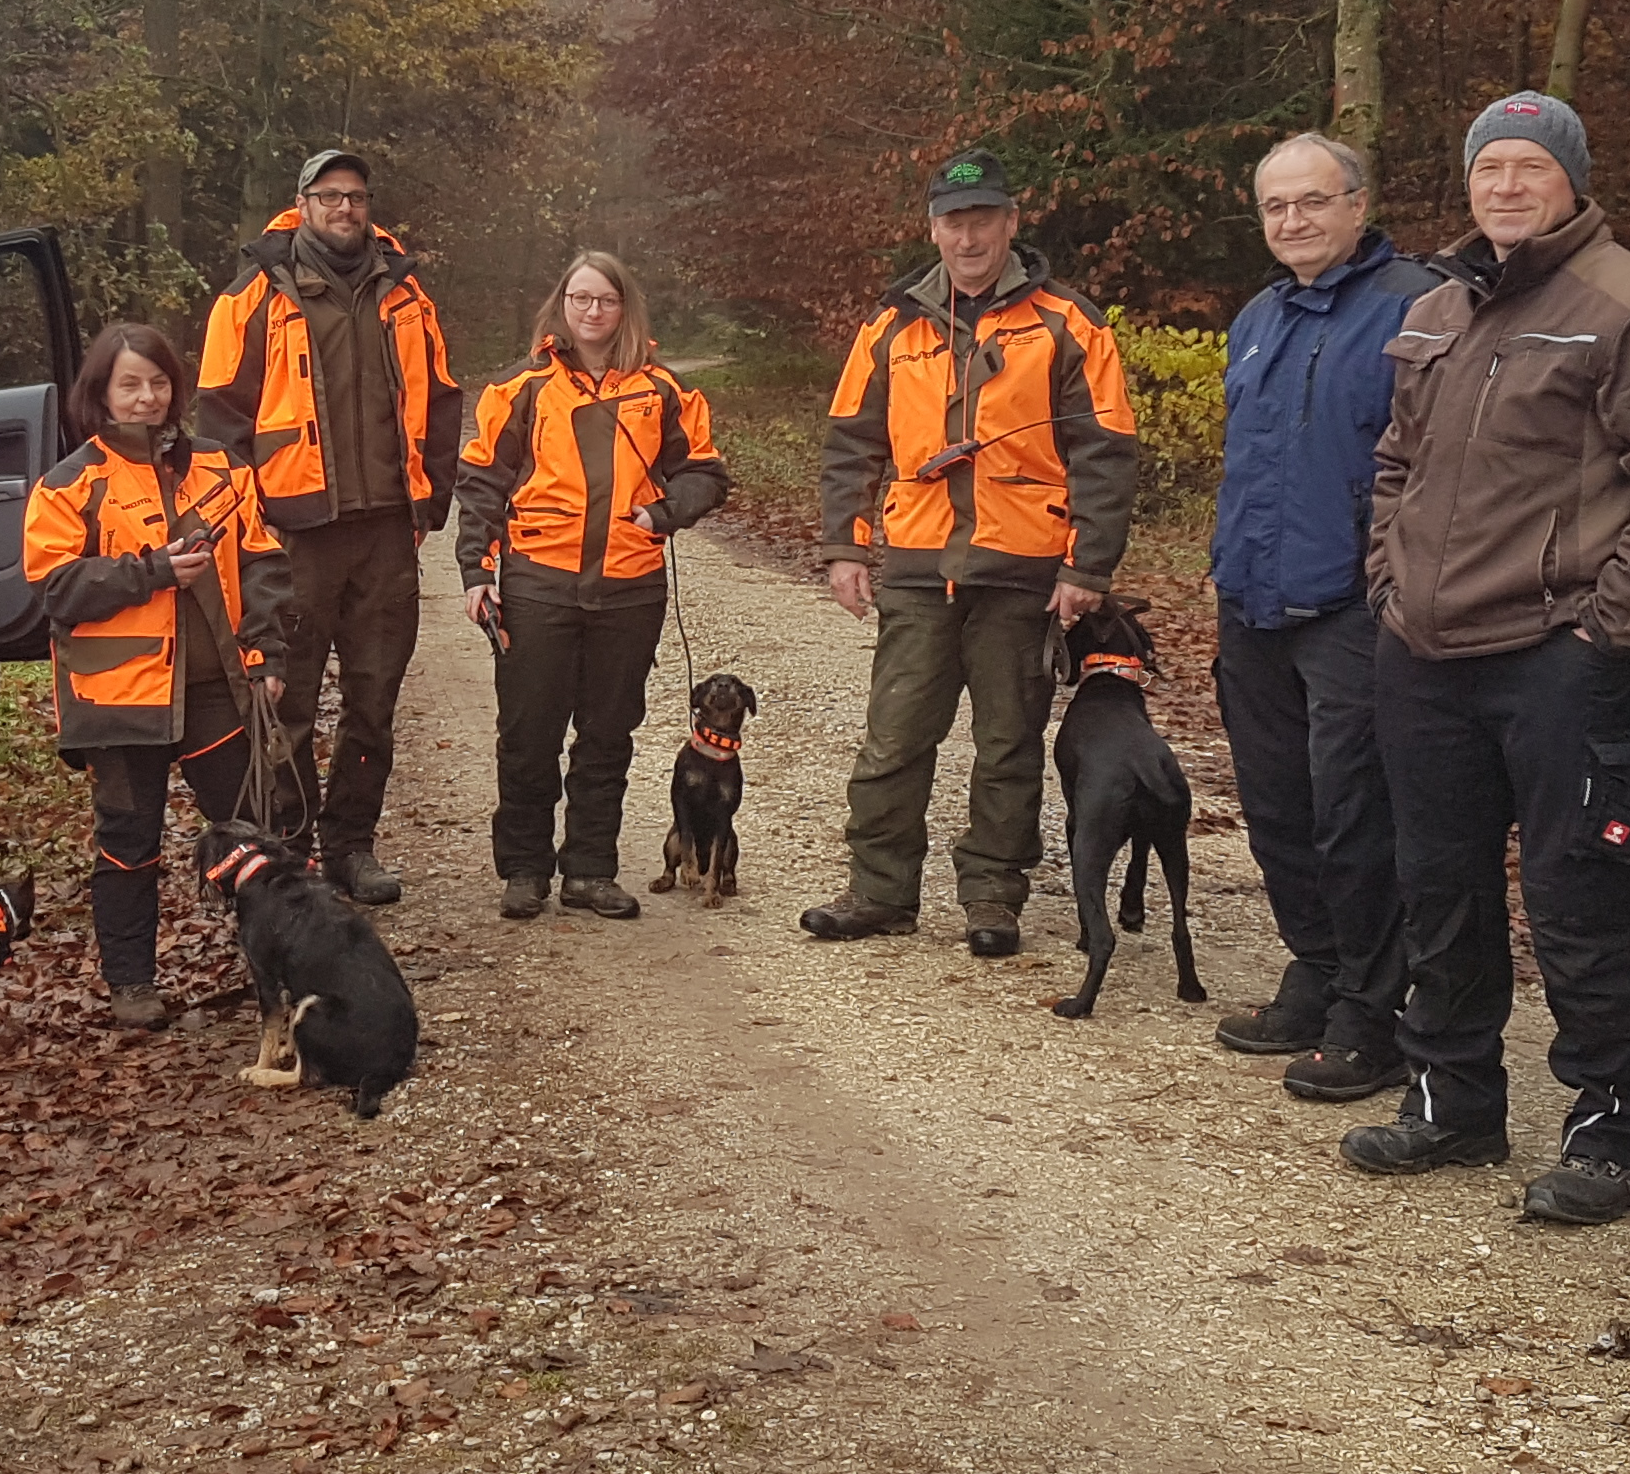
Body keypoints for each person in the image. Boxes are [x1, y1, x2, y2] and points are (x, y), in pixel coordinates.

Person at [1355, 93, 1630, 1224]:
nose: (1507, 186)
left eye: (1530, 167)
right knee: (1438, 887)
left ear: (1571, 179)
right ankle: (1454, 1099)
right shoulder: (1437, 308)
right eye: (1490, 168)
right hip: (1423, 654)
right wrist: (1387, 582)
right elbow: (1396, 464)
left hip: (1557, 660)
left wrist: (1605, 628)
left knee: (1579, 899)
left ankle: (1613, 1136)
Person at [809, 150, 1138, 952]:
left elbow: (1107, 449)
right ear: (933, 228)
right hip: (920, 569)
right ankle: (879, 889)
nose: (969, 236)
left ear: (1012, 224)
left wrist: (1086, 567)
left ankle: (993, 894)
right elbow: (851, 442)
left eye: (984, 218)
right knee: (893, 737)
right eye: (954, 221)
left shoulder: (1069, 324)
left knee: (1008, 744)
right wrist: (846, 548)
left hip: (1024, 574)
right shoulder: (891, 326)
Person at [1210, 133, 1433, 1101]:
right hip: (1253, 600)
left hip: (1353, 605)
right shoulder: (1257, 316)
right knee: (1277, 809)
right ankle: (1316, 967)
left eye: (1312, 201)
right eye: (1275, 207)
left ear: (1357, 203)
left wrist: (1394, 587)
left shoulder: (1416, 306)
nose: (1293, 221)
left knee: (1356, 816)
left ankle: (1373, 1015)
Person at [192, 149, 460, 907]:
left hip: (383, 532)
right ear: (302, 203)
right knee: (288, 704)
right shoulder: (251, 297)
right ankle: (292, 847)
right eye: (330, 196)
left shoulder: (407, 295)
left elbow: (442, 400)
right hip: (292, 534)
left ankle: (353, 845)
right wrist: (249, 530)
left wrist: (429, 503)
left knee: (375, 701)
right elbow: (219, 425)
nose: (346, 209)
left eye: (357, 196)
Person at [22, 321, 292, 1027]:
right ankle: (132, 984)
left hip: (214, 690)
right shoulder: (69, 482)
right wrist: (150, 572)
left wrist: (266, 656)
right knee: (127, 842)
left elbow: (263, 562)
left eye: (159, 382)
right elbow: (52, 587)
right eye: (130, 384)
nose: (147, 398)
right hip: (116, 700)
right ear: (102, 394)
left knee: (251, 833)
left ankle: (286, 966)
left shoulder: (223, 468)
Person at [453, 251, 728, 922]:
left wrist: (663, 514)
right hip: (536, 584)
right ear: (561, 305)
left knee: (607, 735)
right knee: (529, 735)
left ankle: (589, 870)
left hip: (630, 587)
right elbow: (483, 482)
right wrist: (476, 573)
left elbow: (705, 472)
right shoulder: (521, 387)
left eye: (605, 299)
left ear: (625, 307)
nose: (593, 311)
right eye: (580, 299)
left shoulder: (662, 390)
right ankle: (523, 869)